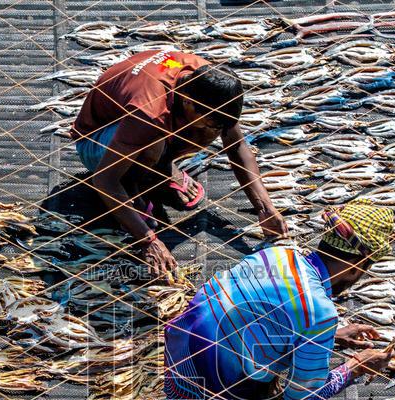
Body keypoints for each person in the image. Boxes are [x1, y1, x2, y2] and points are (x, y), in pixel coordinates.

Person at [163, 201, 395, 400]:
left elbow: (253, 318)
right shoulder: (320, 312)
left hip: (177, 375)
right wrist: (355, 366)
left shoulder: (275, 254)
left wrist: (334, 335)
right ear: (357, 265)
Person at [71, 49, 288, 279]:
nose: (214, 132)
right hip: (96, 142)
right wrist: (148, 241)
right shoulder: (150, 109)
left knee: (198, 130)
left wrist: (265, 207)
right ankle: (133, 187)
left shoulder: (209, 82)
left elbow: (236, 146)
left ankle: (159, 168)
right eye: (210, 123)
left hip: (138, 125)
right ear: (187, 102)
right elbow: (104, 179)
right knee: (151, 135)